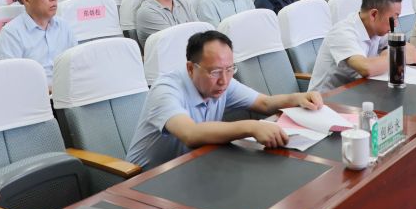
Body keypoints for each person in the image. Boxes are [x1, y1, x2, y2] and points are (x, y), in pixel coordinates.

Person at [125, 30, 323, 170]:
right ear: (191, 68)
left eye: (230, 69)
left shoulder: (222, 81)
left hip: (194, 167)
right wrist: (251, 126)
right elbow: (190, 134)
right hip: (147, 179)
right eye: (215, 72)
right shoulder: (166, 90)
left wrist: (297, 97)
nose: (224, 80)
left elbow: (264, 103)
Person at [309, 0, 416, 92]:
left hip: (359, 90)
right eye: (394, 18)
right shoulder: (343, 32)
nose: (396, 24)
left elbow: (407, 48)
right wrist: (398, 56)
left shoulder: (376, 27)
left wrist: (392, 53)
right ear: (374, 14)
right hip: (327, 100)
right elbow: (366, 68)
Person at [0, 0, 76, 89]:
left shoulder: (63, 25)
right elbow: (10, 80)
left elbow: (76, 63)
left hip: (70, 91)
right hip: (34, 96)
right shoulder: (11, 34)